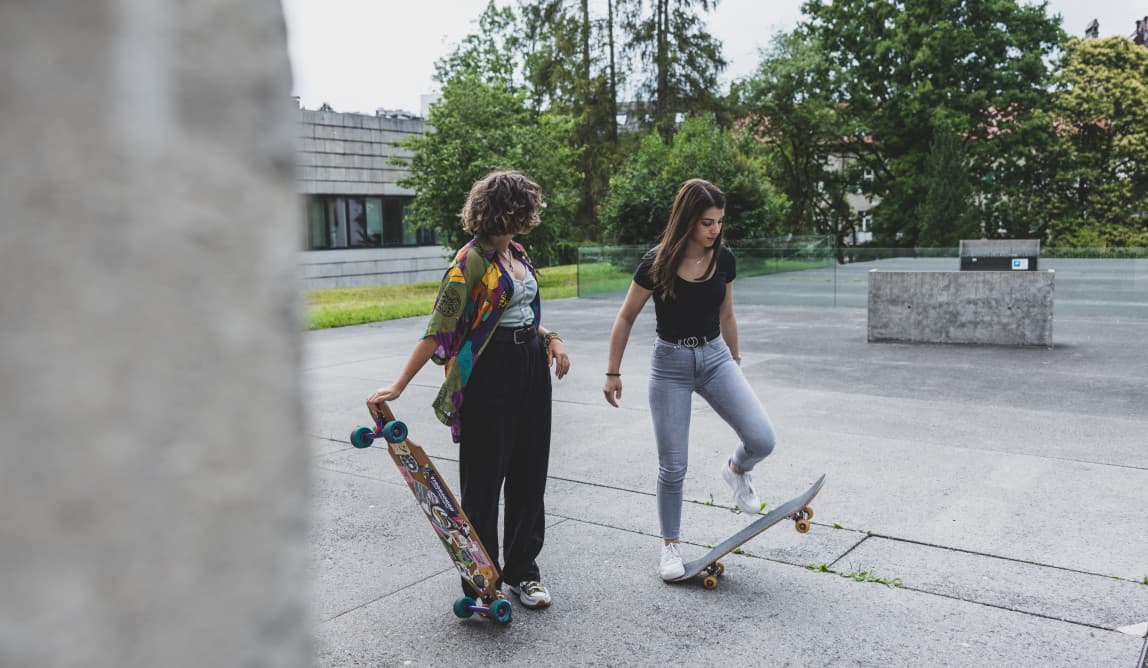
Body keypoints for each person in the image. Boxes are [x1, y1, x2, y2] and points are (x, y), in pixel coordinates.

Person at [367, 170, 571, 609]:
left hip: (530, 366)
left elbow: (517, 314)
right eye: (528, 205)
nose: (533, 212)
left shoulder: (517, 252)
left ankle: (524, 573)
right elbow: (439, 329)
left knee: (529, 472)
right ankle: (481, 577)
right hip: (489, 371)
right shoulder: (470, 261)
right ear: (510, 208)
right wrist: (399, 385)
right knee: (485, 477)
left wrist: (550, 338)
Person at [602, 178, 776, 581]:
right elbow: (625, 316)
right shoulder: (656, 263)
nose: (715, 230)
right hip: (670, 365)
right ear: (686, 221)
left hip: (716, 358)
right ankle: (671, 547)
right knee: (673, 466)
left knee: (762, 438)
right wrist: (613, 372)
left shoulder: (725, 259)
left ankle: (736, 470)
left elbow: (727, 314)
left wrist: (734, 361)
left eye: (719, 221)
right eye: (706, 223)